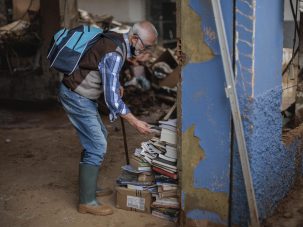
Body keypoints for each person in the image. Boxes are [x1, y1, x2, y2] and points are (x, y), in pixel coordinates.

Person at [58, 21, 158, 216]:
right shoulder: (115, 52)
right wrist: (135, 121)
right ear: (135, 39)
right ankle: (86, 201)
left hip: (82, 94)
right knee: (96, 145)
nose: (147, 51)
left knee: (98, 138)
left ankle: (89, 188)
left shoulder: (118, 40)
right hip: (76, 96)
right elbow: (112, 99)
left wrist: (116, 83)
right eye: (146, 46)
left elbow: (102, 66)